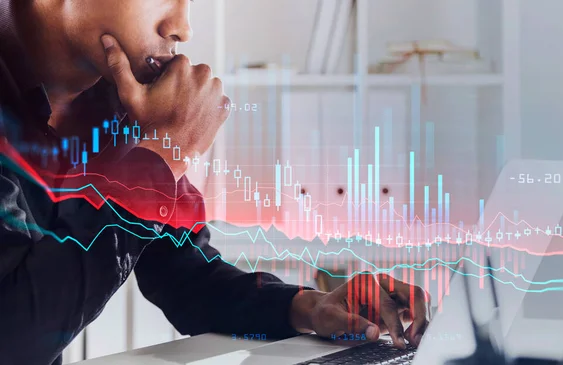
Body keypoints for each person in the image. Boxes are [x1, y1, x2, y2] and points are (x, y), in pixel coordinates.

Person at [0, 1, 430, 364]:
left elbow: (186, 275)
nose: (181, 27)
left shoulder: (121, 105)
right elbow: (13, 338)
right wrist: (165, 154)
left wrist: (312, 307)